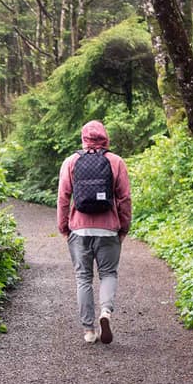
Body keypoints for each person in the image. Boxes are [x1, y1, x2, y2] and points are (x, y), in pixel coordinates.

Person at [56, 120, 131, 344]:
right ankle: (105, 312)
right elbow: (124, 199)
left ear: (83, 139)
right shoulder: (116, 162)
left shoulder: (71, 161)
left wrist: (63, 227)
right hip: (108, 230)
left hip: (79, 229)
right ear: (105, 138)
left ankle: (89, 330)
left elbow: (63, 198)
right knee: (108, 274)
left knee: (83, 278)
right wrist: (124, 227)